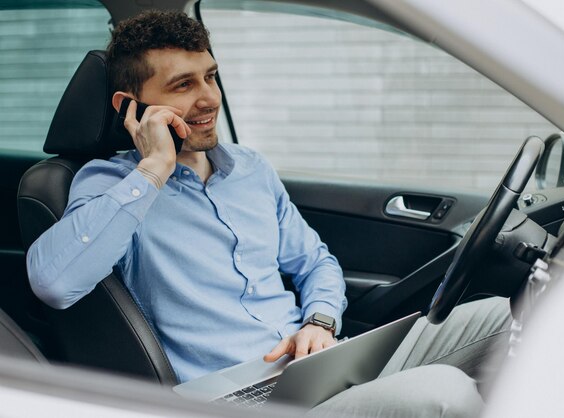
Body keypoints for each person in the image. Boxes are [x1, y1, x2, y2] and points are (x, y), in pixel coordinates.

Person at [27, 10, 511, 417]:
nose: (209, 99)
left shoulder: (250, 169)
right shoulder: (112, 185)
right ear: (129, 106)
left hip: (314, 362)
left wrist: (320, 324)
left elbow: (316, 262)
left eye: (211, 77)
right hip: (242, 400)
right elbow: (53, 282)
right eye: (183, 85)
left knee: (502, 315)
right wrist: (153, 168)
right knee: (445, 394)